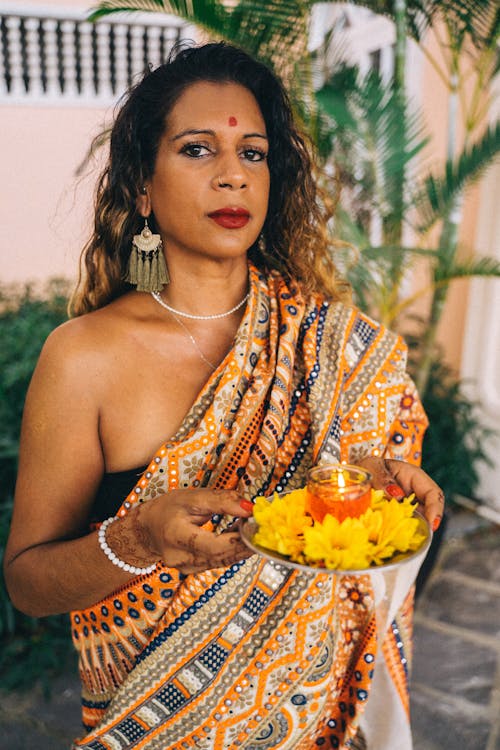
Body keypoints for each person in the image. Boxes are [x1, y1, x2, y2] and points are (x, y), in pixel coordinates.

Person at [4, 42, 443, 750]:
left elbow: (361, 527)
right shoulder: (84, 356)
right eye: (199, 150)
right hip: (156, 729)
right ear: (142, 186)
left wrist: (387, 494)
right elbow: (28, 582)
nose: (234, 174)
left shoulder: (337, 346)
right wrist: (137, 539)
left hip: (322, 727)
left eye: (255, 153)